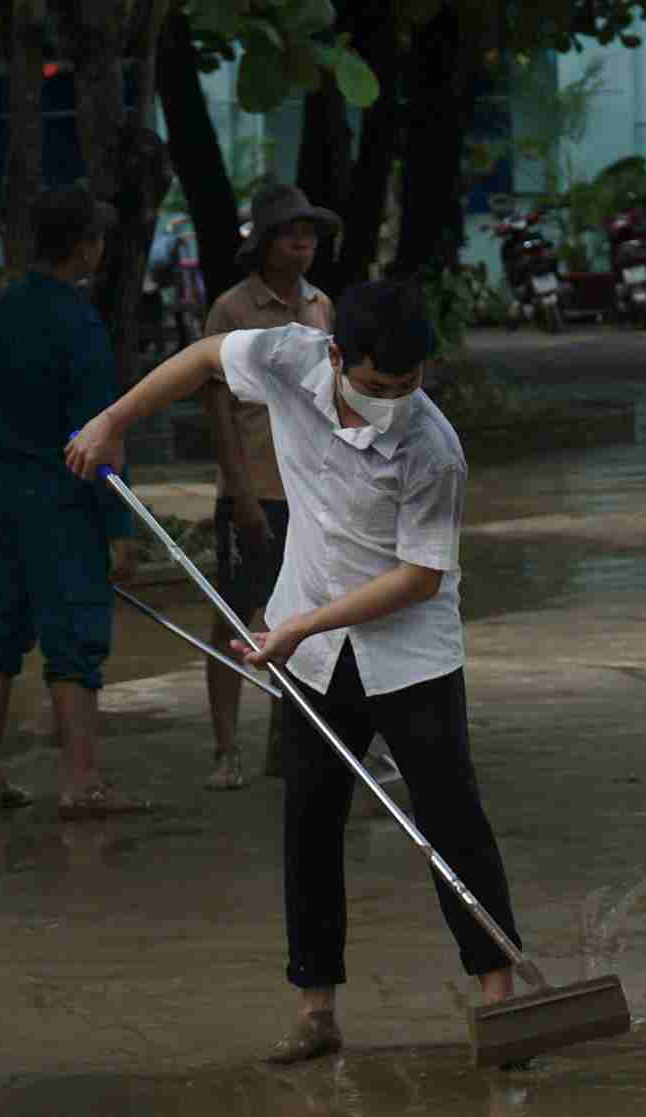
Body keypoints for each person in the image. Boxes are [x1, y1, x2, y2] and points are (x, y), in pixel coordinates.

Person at [64, 280, 522, 1064]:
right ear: (338, 357)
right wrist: (112, 422)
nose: (396, 400)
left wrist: (302, 622)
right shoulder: (289, 359)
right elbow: (206, 357)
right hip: (310, 649)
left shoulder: (432, 448)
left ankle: (503, 1001)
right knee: (309, 821)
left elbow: (419, 576)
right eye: (380, 386)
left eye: (411, 385)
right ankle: (316, 1009)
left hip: (407, 653)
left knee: (451, 820)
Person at [0, 187, 147, 819]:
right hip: (66, 503)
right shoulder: (78, 322)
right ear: (84, 246)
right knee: (74, 641)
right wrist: (119, 526)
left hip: (9, 498)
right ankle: (81, 781)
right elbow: (100, 432)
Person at [199, 184, 338, 790]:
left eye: (309, 231)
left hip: (310, 489)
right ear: (265, 243)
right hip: (254, 487)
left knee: (301, 620)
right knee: (233, 615)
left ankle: (290, 744)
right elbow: (220, 410)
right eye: (289, 232)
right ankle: (225, 748)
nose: (303, 241)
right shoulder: (232, 310)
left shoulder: (322, 306)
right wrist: (241, 493)